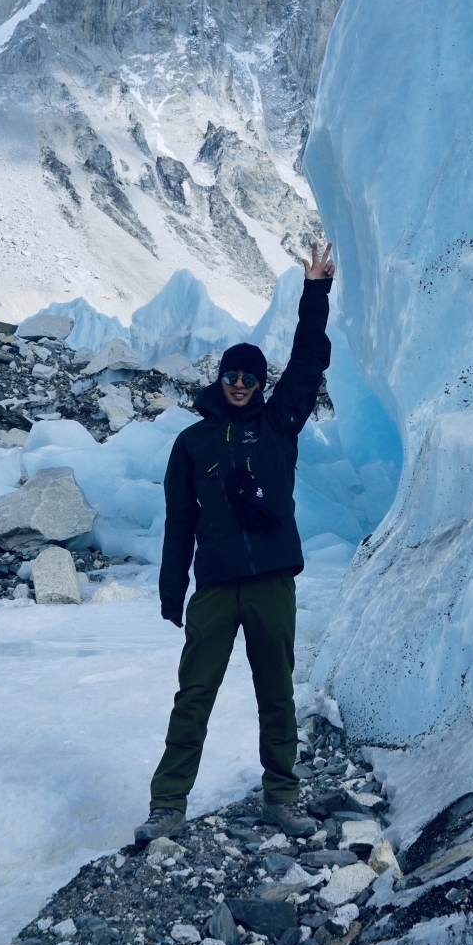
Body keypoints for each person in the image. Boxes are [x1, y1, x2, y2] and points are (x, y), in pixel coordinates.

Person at [135, 241, 337, 842]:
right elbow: (179, 522)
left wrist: (316, 291)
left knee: (276, 692)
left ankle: (282, 795)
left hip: (272, 578)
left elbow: (308, 363)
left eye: (251, 376)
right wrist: (174, 589)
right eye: (233, 375)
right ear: (220, 379)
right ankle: (167, 805)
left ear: (260, 380)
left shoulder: (279, 426)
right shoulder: (193, 443)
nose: (243, 383)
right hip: (217, 587)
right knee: (194, 693)